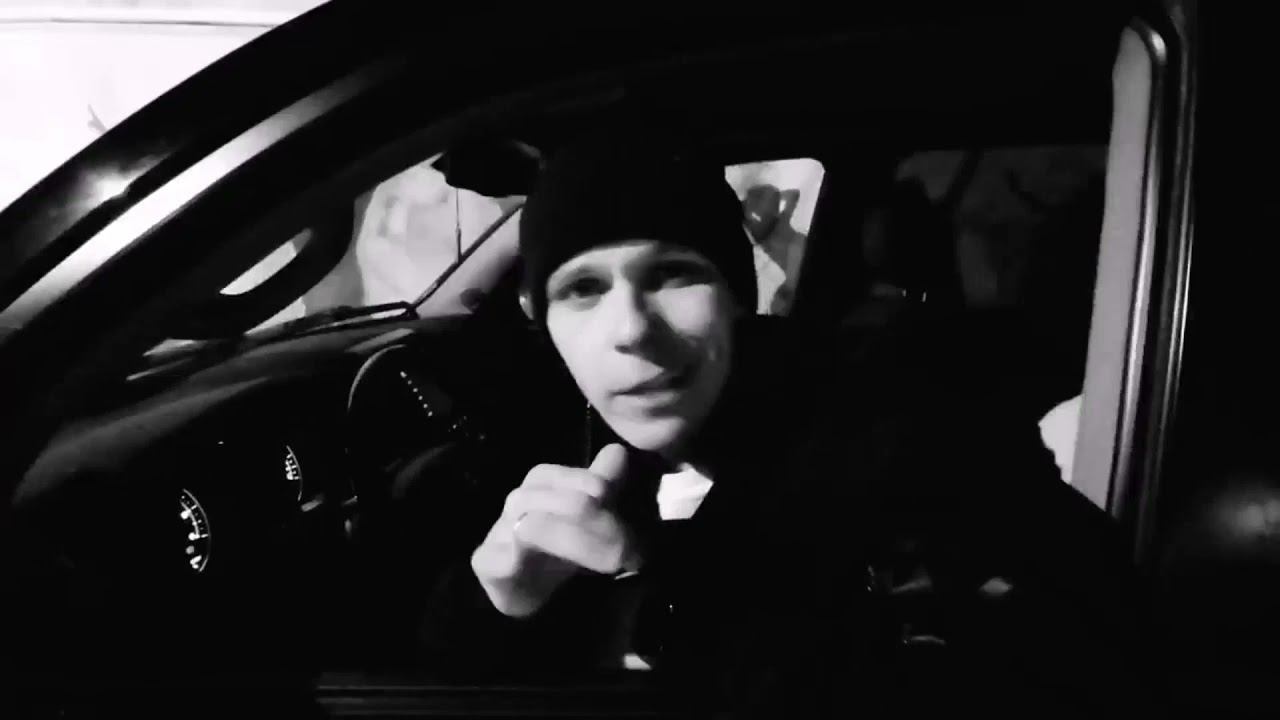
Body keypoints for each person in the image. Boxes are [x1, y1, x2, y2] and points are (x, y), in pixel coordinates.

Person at [417, 132, 1157, 716]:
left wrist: (657, 592)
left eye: (674, 273)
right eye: (582, 288)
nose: (632, 330)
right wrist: (494, 603)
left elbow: (1083, 653)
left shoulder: (901, 422)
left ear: (736, 296)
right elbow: (428, 657)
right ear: (538, 317)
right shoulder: (551, 430)